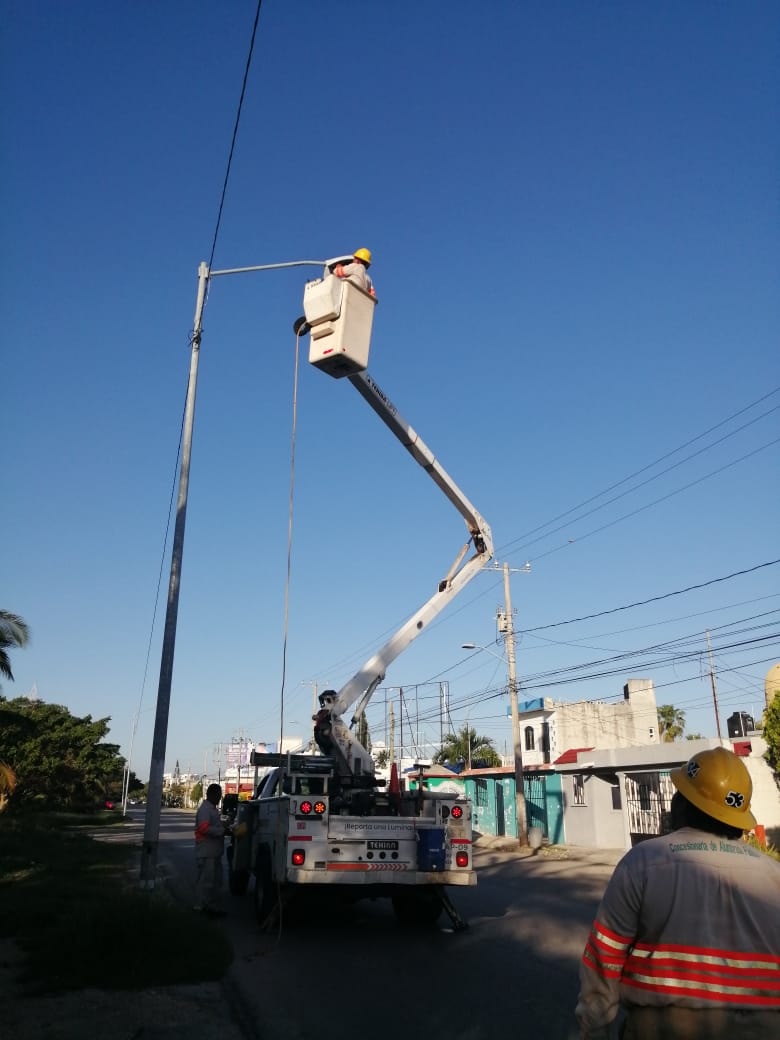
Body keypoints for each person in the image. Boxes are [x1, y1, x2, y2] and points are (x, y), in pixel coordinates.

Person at [576, 746, 780, 1039]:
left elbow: (604, 958)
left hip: (661, 1028)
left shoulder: (643, 863)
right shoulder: (774, 876)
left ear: (682, 805)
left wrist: (593, 1031)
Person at [194, 782, 231, 916]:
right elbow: (204, 828)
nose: (219, 798)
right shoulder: (205, 810)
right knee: (206, 882)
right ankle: (201, 907)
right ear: (211, 794)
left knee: (215, 882)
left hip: (214, 852)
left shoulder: (212, 809)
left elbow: (214, 825)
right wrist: (222, 830)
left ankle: (212, 907)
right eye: (218, 795)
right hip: (206, 851)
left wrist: (225, 826)